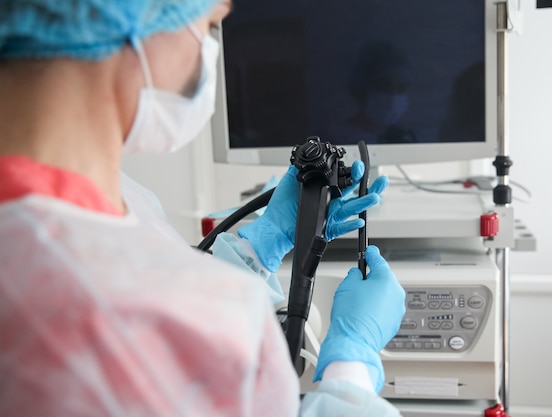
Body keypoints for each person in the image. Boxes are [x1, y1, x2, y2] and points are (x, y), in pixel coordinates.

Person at [0, 1, 406, 416]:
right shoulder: (185, 319)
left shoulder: (125, 199)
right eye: (209, 28)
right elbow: (175, 325)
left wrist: (263, 241)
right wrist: (350, 365)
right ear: (140, 23)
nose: (207, 54)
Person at [331, 39, 416, 145]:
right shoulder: (338, 138)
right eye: (385, 87)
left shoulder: (402, 138)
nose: (393, 97)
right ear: (363, 89)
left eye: (401, 88)